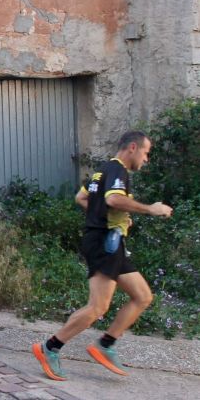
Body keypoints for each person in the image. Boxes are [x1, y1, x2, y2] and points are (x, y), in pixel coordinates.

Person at [32, 131, 173, 381]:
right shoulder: (118, 170)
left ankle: (106, 344)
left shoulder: (102, 170)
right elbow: (114, 199)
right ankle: (50, 347)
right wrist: (150, 209)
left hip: (111, 242)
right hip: (103, 244)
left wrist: (104, 216)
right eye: (146, 152)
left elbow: (81, 197)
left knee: (142, 296)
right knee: (98, 306)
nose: (146, 158)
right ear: (132, 147)